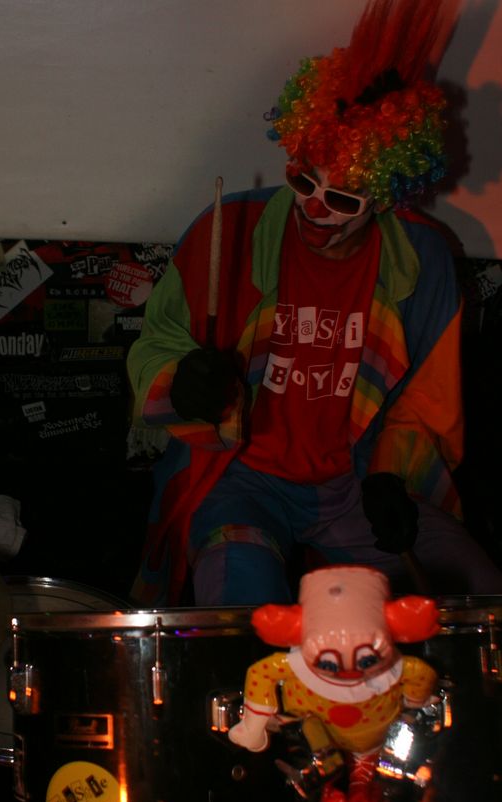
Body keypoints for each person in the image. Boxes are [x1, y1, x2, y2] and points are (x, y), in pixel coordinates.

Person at [127, 0, 502, 607]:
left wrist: (391, 479)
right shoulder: (229, 230)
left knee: (475, 593)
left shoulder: (423, 259)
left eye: (344, 198)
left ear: (387, 193)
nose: (314, 206)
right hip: (239, 479)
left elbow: (426, 406)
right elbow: (156, 344)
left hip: (352, 485)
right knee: (243, 605)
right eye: (305, 179)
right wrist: (185, 383)